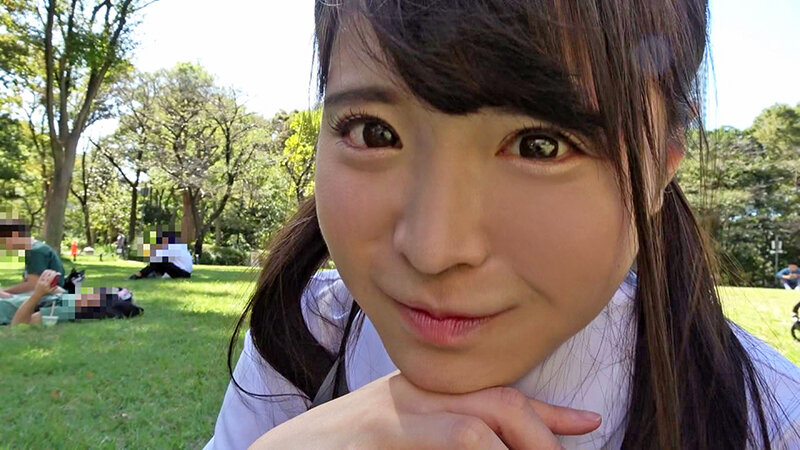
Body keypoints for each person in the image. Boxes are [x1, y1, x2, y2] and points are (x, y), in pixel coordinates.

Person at [206, 2, 800, 449]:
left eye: (540, 145)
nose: (434, 249)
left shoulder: (773, 420)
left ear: (662, 165)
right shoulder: (302, 339)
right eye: (374, 132)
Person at [1, 269, 143, 326]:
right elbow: (13, 300)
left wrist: (37, 294)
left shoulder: (67, 309)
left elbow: (19, 324)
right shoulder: (67, 298)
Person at [0, 219, 65, 297]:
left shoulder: (36, 252)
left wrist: (4, 291)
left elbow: (32, 285)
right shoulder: (33, 249)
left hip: (50, 298)